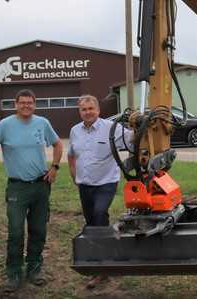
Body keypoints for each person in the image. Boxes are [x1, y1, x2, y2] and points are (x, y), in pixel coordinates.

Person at [0, 89, 63, 291]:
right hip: (17, 188)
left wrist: (55, 167)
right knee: (15, 231)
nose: (26, 106)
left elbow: (57, 144)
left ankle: (34, 268)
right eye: (22, 103)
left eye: (30, 103)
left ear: (34, 104)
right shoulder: (5, 125)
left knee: (39, 230)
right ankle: (13, 272)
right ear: (16, 104)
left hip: (41, 186)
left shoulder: (42, 123)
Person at [67, 94, 132, 288]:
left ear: (98, 110)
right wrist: (75, 177)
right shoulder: (75, 131)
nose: (87, 112)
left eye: (91, 109)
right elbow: (71, 155)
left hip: (106, 183)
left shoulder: (112, 129)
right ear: (80, 111)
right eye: (84, 109)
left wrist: (140, 124)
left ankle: (102, 268)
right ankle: (104, 257)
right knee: (91, 223)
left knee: (98, 214)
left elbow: (134, 141)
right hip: (85, 185)